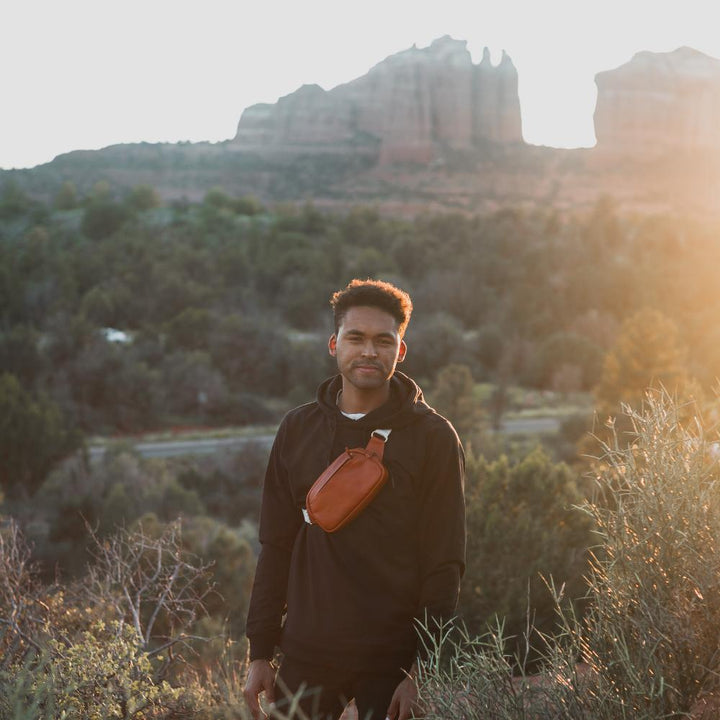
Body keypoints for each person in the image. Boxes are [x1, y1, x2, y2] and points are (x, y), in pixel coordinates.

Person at [243, 279, 466, 720]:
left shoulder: (433, 438)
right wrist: (260, 651)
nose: (369, 351)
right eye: (356, 338)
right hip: (307, 651)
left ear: (401, 350)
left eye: (383, 341)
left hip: (393, 658)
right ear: (334, 344)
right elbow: (276, 544)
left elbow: (445, 561)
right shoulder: (297, 429)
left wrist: (423, 669)